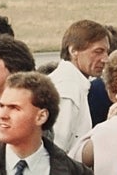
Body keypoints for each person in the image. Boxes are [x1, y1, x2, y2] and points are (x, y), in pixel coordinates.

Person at [44, 21, 111, 157]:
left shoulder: (73, 83)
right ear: (73, 51)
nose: (105, 59)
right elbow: (57, 147)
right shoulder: (67, 88)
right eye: (98, 52)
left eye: (106, 52)